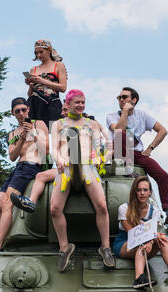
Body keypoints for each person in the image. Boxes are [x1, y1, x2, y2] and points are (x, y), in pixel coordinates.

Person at [50, 89, 115, 272]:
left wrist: (104, 156)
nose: (80, 106)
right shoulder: (58, 124)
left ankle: (105, 247)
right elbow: (54, 148)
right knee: (55, 208)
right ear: (68, 104)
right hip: (66, 169)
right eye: (77, 102)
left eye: (83, 102)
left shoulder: (92, 124)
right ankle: (65, 247)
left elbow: (106, 142)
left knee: (102, 205)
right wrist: (59, 159)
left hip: (87, 167)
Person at [0, 97, 49, 257]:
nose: (21, 113)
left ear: (28, 109)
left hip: (31, 166)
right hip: (17, 168)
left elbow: (46, 151)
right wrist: (22, 139)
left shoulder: (39, 124)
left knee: (8, 202)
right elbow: (12, 156)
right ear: (13, 113)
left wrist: (33, 134)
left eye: (24, 110)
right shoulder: (13, 134)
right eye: (17, 111)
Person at [106, 87, 168, 224]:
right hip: (119, 151)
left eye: (124, 97)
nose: (121, 100)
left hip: (137, 152)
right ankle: (128, 170)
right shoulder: (112, 116)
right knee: (122, 134)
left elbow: (163, 131)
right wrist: (125, 111)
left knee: (162, 174)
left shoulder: (142, 115)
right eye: (119, 97)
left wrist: (150, 148)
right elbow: (119, 129)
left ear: (134, 100)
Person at [113, 176, 168, 289]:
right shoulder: (124, 208)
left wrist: (151, 241)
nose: (142, 193)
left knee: (162, 239)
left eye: (145, 190)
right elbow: (131, 233)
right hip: (125, 243)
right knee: (141, 243)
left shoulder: (154, 211)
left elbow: (152, 232)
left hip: (146, 242)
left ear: (150, 192)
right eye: (139, 190)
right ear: (134, 192)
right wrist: (149, 239)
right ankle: (139, 278)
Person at [10, 101, 69, 213]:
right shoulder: (58, 128)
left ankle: (31, 201)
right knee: (41, 176)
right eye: (62, 110)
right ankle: (31, 202)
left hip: (80, 168)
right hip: (63, 168)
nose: (61, 113)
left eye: (65, 110)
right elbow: (54, 151)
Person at [25, 39, 67, 130]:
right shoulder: (33, 69)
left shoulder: (59, 65)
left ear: (49, 50)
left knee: (53, 133)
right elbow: (29, 94)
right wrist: (31, 85)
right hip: (35, 105)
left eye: (41, 52)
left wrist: (42, 81)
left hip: (52, 105)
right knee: (33, 135)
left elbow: (63, 88)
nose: (39, 55)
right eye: (36, 53)